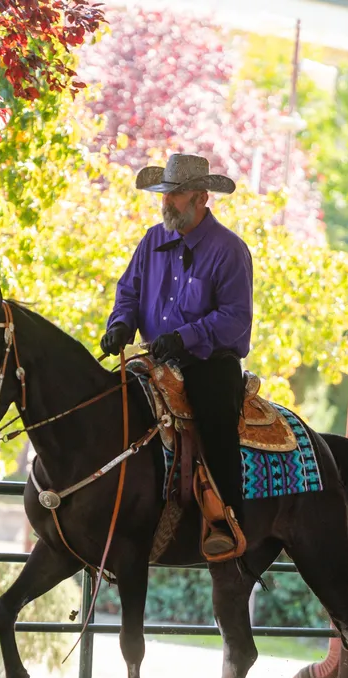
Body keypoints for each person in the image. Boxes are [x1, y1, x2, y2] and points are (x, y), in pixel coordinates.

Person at [100, 153, 253, 559]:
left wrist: (185, 338)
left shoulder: (229, 250)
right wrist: (120, 324)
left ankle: (226, 522)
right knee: (109, 407)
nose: (167, 203)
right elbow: (129, 292)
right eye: (165, 194)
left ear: (202, 197)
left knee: (217, 426)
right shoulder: (152, 240)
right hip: (155, 359)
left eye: (177, 195)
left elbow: (235, 318)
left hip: (207, 362)